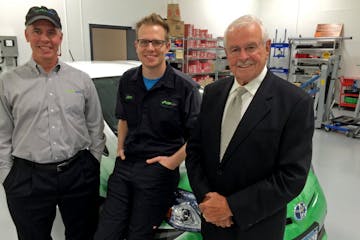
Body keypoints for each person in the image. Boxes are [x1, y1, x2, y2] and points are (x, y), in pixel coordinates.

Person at [185, 15, 314, 239]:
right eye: (234, 49)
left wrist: (232, 207)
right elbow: (195, 151)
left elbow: (292, 176)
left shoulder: (294, 102)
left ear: (267, 48)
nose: (243, 57)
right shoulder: (213, 93)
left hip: (257, 227)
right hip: (213, 224)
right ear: (226, 53)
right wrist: (207, 200)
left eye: (250, 47)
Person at [0, 6, 106, 240]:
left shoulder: (81, 80)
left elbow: (95, 127)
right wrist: (8, 176)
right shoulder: (9, 83)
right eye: (37, 31)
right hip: (28, 177)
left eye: (51, 32)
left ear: (60, 37)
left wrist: (92, 162)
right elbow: (2, 135)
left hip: (77, 173)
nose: (44, 38)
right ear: (27, 35)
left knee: (83, 234)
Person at [94, 13, 201, 240]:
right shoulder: (127, 80)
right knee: (106, 233)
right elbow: (123, 119)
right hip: (125, 166)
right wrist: (120, 148)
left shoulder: (184, 87)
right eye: (144, 42)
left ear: (167, 46)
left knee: (139, 235)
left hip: (159, 171)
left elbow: (198, 136)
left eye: (156, 42)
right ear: (136, 45)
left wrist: (171, 163)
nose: (150, 48)